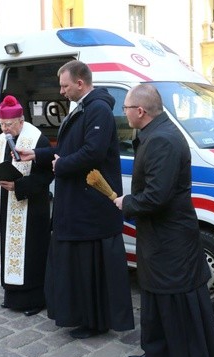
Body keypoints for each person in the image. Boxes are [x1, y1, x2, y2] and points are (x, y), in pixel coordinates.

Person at [17, 60, 134, 338]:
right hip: (79, 208)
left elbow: (92, 153)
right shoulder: (83, 107)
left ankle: (94, 322)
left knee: (90, 270)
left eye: (65, 85)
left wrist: (61, 165)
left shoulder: (98, 110)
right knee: (80, 268)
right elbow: (68, 148)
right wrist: (38, 155)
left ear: (80, 84)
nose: (61, 91)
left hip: (90, 210)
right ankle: (84, 317)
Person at [114, 84, 214, 357]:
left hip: (170, 239)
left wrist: (126, 203)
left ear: (140, 111)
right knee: (154, 298)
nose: (123, 112)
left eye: (125, 108)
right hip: (160, 235)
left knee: (173, 299)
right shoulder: (154, 133)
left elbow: (156, 196)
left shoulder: (162, 139)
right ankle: (158, 355)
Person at [0, 95, 54, 316]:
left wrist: (19, 187)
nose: (4, 129)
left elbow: (47, 175)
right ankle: (11, 296)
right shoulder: (1, 139)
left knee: (31, 253)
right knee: (8, 250)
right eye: (1, 124)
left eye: (9, 125)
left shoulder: (37, 139)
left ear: (21, 121)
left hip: (32, 207)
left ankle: (34, 299)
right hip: (6, 205)